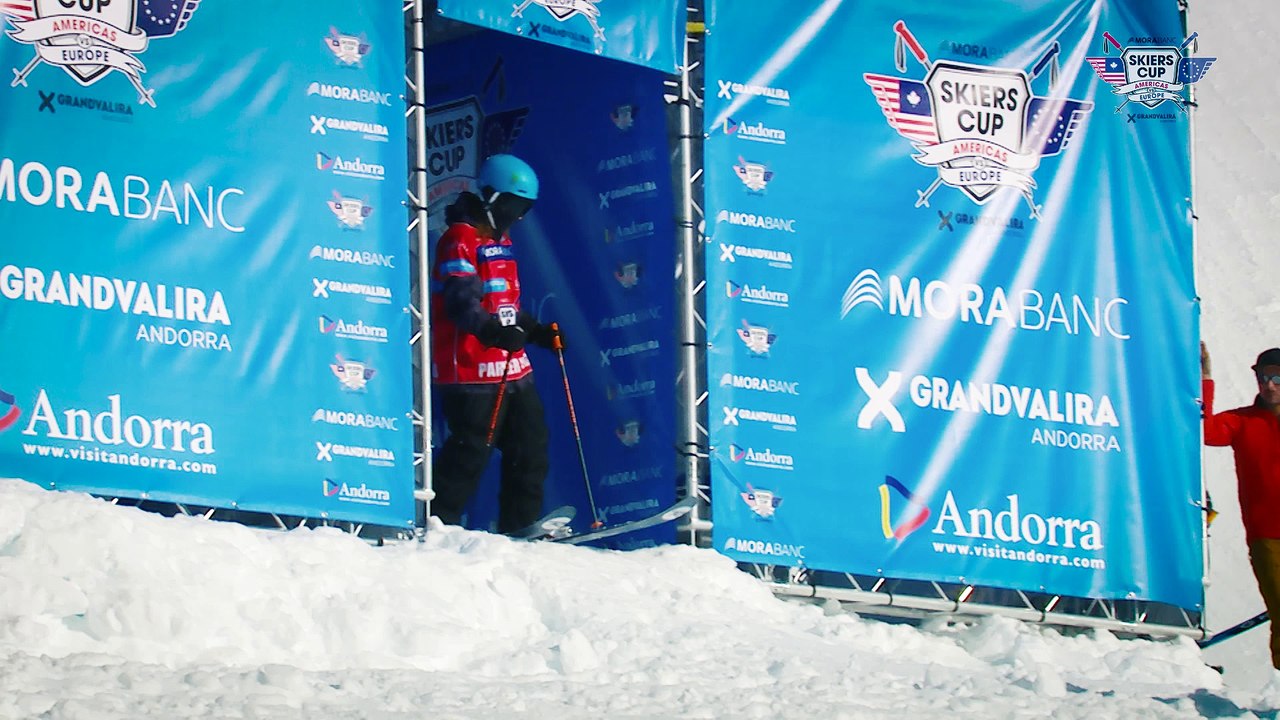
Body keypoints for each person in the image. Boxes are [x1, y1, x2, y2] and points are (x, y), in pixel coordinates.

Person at [429, 154, 564, 534]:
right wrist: (493, 333)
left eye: (523, 208)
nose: (516, 215)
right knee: (470, 452)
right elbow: (461, 303)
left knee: (530, 449)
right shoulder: (458, 239)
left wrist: (536, 331)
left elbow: (504, 305)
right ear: (489, 197)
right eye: (511, 205)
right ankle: (438, 525)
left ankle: (519, 528)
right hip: (471, 371)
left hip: (511, 368)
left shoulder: (500, 241)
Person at [1202, 342, 1280, 669]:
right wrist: (1205, 377)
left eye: (1277, 378)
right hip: (1267, 538)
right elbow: (1206, 430)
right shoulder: (1243, 422)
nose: (1269, 384)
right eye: (1264, 377)